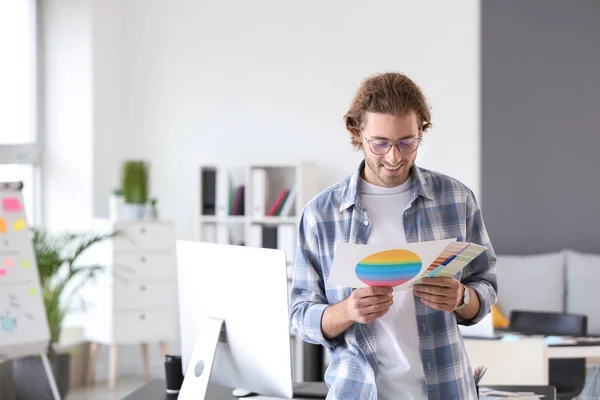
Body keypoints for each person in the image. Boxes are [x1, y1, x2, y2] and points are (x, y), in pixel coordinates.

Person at [289, 72, 497, 400]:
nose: (394, 157)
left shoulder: (456, 199)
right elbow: (300, 316)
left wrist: (462, 299)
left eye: (406, 142)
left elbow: (485, 286)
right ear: (357, 131)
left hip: (447, 389)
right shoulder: (321, 214)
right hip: (358, 392)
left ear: (421, 132)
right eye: (380, 143)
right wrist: (346, 311)